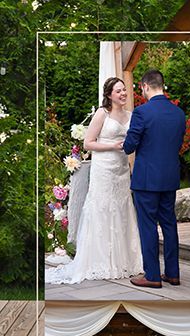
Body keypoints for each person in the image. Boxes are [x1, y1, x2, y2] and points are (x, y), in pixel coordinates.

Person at [45, 78, 143, 286]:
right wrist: (112, 146)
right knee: (102, 208)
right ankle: (101, 261)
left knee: (122, 209)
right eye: (118, 91)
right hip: (104, 168)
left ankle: (125, 261)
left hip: (122, 169)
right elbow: (88, 143)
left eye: (124, 90)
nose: (123, 93)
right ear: (109, 95)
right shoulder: (102, 114)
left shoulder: (131, 115)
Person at [123, 69, 186, 289]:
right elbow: (176, 145)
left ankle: (152, 275)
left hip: (147, 179)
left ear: (145, 87)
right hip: (170, 176)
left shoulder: (142, 112)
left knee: (147, 225)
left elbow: (129, 145)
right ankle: (173, 273)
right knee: (169, 224)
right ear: (162, 85)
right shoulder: (179, 113)